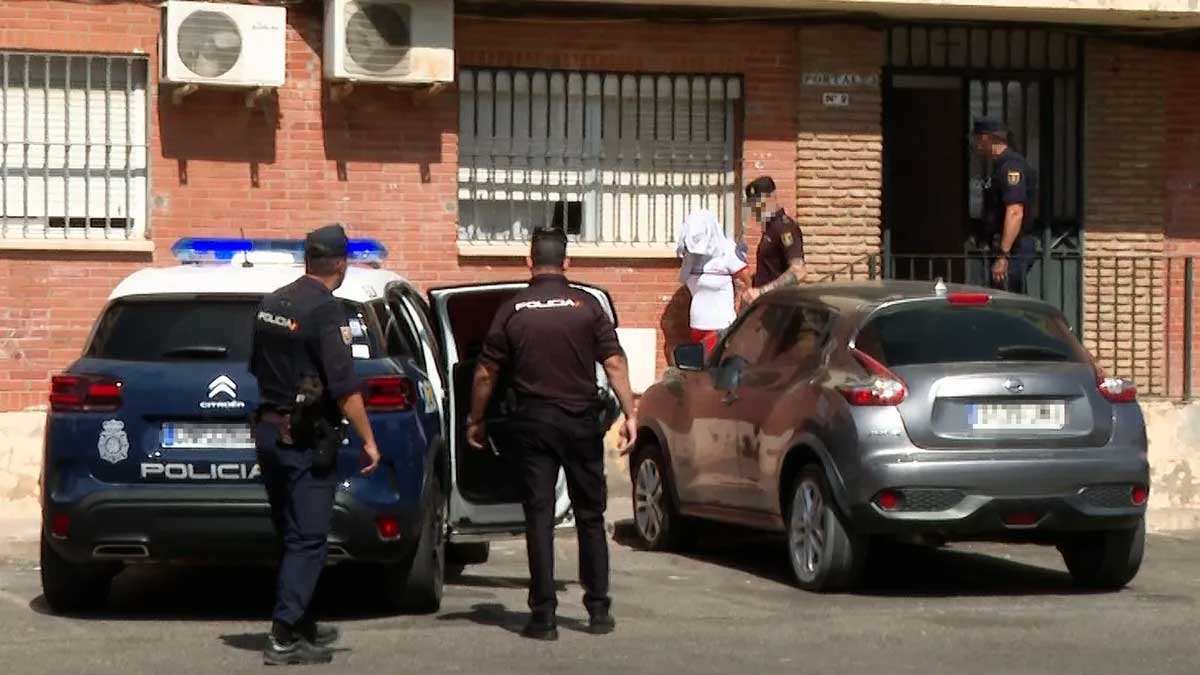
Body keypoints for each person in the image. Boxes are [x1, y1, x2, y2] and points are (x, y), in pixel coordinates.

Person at [466, 226, 638, 642]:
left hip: (533, 424)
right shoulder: (586, 306)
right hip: (580, 423)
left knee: (539, 518)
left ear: (529, 262)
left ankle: (543, 617)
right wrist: (630, 413)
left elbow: (487, 371)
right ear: (567, 263)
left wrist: (476, 418)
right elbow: (614, 362)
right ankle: (598, 610)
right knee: (591, 516)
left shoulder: (513, 309)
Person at [249, 224, 382, 666]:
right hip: (304, 438)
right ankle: (284, 635)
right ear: (341, 263)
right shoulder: (326, 311)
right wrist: (368, 440)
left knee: (290, 533)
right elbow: (344, 387)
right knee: (308, 538)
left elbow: (256, 366)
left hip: (269, 431)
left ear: (308, 258)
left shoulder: (273, 302)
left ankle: (302, 621)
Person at [972, 117, 1038, 293]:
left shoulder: (1011, 167)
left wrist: (1003, 255)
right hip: (1006, 247)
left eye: (977, 138)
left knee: (1008, 303)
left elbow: (1015, 211)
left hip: (1014, 249)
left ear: (986, 138)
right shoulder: (1000, 166)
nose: (976, 144)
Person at [676, 209, 750, 355]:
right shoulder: (691, 256)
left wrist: (741, 306)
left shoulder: (727, 251)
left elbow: (746, 279)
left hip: (720, 325)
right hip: (697, 324)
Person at [742, 176, 806, 304]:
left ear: (772, 197)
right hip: (769, 307)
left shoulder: (785, 228)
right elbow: (772, 271)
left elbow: (799, 271)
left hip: (783, 309)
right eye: (752, 205)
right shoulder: (770, 229)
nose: (755, 209)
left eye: (759, 203)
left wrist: (761, 292)